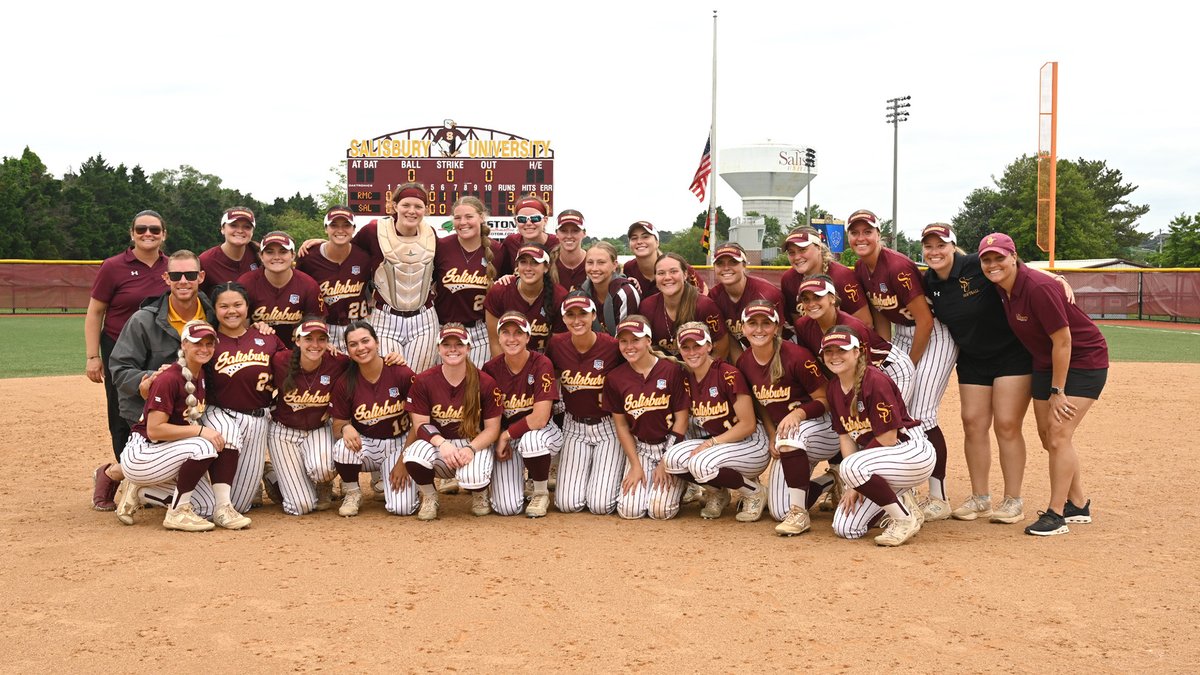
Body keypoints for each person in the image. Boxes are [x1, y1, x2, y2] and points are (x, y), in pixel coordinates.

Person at [978, 232, 1107, 536]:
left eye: (1000, 257)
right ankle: (1077, 503)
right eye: (987, 259)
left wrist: (1058, 391)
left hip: (1083, 360)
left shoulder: (1037, 288)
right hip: (1045, 363)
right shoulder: (1001, 286)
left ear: (1014, 257)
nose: (993, 264)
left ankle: (1056, 514)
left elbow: (1063, 341)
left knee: (1060, 433)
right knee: (1048, 435)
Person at [922, 223, 1039, 524]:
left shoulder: (977, 263)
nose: (935, 252)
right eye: (929, 246)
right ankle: (980, 498)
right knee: (973, 423)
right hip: (973, 358)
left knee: (1007, 424)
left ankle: (1013, 500)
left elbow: (1021, 272)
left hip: (1011, 354)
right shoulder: (929, 281)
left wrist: (1057, 278)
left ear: (953, 246)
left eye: (941, 245)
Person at [847, 209, 958, 521]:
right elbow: (881, 317)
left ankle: (939, 497)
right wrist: (885, 357)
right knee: (899, 413)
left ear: (879, 235)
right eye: (855, 232)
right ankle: (903, 488)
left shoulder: (896, 266)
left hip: (932, 336)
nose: (861, 237)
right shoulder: (861, 267)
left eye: (867, 231)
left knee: (921, 414)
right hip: (902, 336)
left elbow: (924, 320)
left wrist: (907, 366)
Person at [114, 320, 250, 531]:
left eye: (209, 344)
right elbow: (154, 429)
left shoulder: (201, 373)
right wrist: (201, 430)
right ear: (184, 344)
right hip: (143, 453)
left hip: (167, 453)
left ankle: (139, 491)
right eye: (198, 343)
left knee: (206, 507)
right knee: (204, 446)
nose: (204, 349)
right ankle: (176, 513)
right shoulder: (168, 378)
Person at [99, 251, 215, 494]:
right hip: (153, 411)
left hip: (199, 405)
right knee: (183, 471)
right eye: (176, 275)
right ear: (166, 278)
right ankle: (113, 473)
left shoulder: (214, 315)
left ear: (201, 277)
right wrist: (149, 378)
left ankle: (135, 478)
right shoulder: (144, 320)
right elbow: (119, 369)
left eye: (190, 275)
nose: (183, 281)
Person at [822, 325, 934, 546]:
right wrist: (855, 482)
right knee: (846, 528)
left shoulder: (874, 380)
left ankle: (904, 520)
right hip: (880, 463)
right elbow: (846, 437)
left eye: (841, 350)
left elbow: (888, 438)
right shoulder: (834, 388)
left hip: (911, 452)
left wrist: (854, 478)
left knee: (850, 468)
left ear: (857, 352)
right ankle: (901, 501)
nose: (835, 356)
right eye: (829, 351)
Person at [86, 210, 168, 510]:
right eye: (142, 229)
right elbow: (96, 312)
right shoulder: (114, 267)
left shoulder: (171, 267)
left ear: (164, 234)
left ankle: (147, 474)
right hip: (119, 348)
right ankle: (118, 476)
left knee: (160, 411)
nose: (148, 234)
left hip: (159, 349)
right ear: (132, 233)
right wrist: (93, 356)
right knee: (123, 414)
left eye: (155, 230)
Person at [735, 300, 839, 535]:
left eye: (766, 323)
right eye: (752, 323)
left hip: (821, 427)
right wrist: (772, 434)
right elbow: (762, 405)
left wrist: (799, 413)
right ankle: (829, 480)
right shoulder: (744, 361)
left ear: (777, 327)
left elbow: (825, 400)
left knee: (790, 439)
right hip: (787, 437)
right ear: (743, 328)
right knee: (779, 510)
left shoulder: (796, 356)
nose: (759, 330)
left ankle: (800, 515)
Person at [189, 281, 286, 520]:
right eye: (223, 306)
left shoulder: (268, 338)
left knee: (241, 504)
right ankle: (158, 489)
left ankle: (215, 501)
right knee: (227, 436)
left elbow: (291, 370)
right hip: (218, 411)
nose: (231, 311)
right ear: (215, 309)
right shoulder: (208, 340)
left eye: (237, 305)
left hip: (257, 418)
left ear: (247, 307)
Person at [391, 323, 504, 520]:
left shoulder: (484, 381)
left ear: (468, 348)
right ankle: (429, 495)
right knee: (414, 455)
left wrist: (471, 449)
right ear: (438, 349)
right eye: (447, 344)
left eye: (459, 344)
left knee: (474, 478)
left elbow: (492, 430)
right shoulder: (424, 380)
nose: (453, 349)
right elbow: (420, 426)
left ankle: (480, 493)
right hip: (439, 444)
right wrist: (442, 443)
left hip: (473, 444)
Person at [662, 322, 769, 521]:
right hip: (722, 445)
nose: (692, 352)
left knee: (701, 463)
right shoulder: (686, 378)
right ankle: (718, 492)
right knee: (672, 459)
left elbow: (748, 424)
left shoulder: (728, 374)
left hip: (751, 443)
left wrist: (711, 443)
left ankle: (754, 492)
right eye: (686, 347)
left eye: (698, 345)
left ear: (709, 346)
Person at [325, 320, 417, 517]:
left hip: (398, 444)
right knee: (342, 447)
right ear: (348, 350)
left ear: (376, 342)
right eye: (353, 344)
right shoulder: (345, 382)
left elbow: (419, 423)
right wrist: (345, 429)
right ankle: (352, 492)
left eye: (365, 341)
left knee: (402, 508)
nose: (361, 348)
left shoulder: (400, 372)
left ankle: (402, 485)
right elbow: (338, 425)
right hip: (366, 444)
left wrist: (403, 462)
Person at [545, 292, 626, 515]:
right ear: (563, 318)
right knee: (567, 505)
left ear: (593, 316)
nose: (577, 319)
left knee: (601, 505)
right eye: (570, 314)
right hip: (574, 426)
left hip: (608, 426)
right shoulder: (556, 344)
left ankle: (610, 474)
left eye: (583, 313)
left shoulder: (611, 346)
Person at [604, 316, 690, 520]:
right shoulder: (615, 378)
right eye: (623, 341)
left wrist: (665, 461)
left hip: (670, 447)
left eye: (635, 340)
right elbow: (622, 426)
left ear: (648, 341)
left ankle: (684, 483)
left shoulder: (672, 370)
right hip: (641, 448)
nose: (629, 346)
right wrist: (635, 465)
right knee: (629, 511)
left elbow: (682, 420)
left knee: (660, 512)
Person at [352, 183, 441, 373]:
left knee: (417, 380)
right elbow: (347, 252)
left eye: (418, 206)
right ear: (394, 206)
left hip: (424, 319)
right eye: (406, 205)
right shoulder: (374, 231)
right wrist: (320, 244)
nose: (412, 211)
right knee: (389, 377)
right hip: (385, 317)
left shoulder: (430, 234)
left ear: (426, 209)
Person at [482, 312, 564, 517]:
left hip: (542, 432)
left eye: (518, 333)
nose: (512, 339)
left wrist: (504, 435)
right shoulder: (490, 368)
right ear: (498, 338)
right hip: (508, 437)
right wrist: (501, 437)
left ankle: (540, 491)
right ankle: (519, 485)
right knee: (506, 508)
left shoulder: (541, 363)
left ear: (528, 337)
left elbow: (539, 418)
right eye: (506, 333)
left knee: (532, 442)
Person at [267, 318, 347, 515]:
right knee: (300, 506)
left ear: (328, 342)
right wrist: (256, 325)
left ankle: (324, 484)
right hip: (283, 433)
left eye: (321, 339)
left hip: (317, 429)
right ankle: (271, 476)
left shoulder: (338, 362)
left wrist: (392, 359)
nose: (315, 345)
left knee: (325, 468)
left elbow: (366, 365)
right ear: (297, 340)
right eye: (308, 338)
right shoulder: (280, 360)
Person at [793, 275, 914, 399]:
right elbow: (818, 364)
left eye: (817, 297)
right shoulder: (802, 325)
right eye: (806, 299)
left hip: (888, 368)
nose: (811, 304)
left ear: (832, 298)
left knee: (886, 416)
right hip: (857, 372)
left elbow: (867, 372)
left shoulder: (853, 327)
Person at [433, 196, 501, 367]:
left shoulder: (497, 251)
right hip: (444, 329)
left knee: (476, 386)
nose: (463, 222)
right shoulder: (441, 247)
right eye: (457, 218)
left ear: (481, 217)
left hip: (480, 332)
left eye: (469, 216)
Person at [296, 206, 372, 351]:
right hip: (323, 327)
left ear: (354, 229)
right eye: (334, 225)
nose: (340, 230)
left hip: (358, 326)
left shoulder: (364, 256)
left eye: (346, 225)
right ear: (326, 228)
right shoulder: (309, 257)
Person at [237, 231, 322, 350]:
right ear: (261, 256)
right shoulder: (246, 282)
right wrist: (251, 330)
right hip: (257, 352)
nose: (276, 257)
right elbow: (239, 328)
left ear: (293, 255)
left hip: (297, 354)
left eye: (283, 252)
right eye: (269, 252)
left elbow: (317, 326)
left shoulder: (308, 285)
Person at [639, 252, 729, 360]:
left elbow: (721, 348)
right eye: (661, 273)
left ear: (685, 275)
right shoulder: (647, 306)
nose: (667, 277)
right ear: (655, 277)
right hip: (665, 371)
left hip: (699, 370)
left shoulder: (704, 305)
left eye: (674, 271)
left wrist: (702, 374)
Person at [483, 243, 567, 357]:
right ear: (517, 266)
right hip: (508, 357)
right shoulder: (500, 291)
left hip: (544, 360)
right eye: (523, 262)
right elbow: (495, 343)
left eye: (535, 262)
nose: (528, 268)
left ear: (546, 267)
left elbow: (559, 346)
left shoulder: (559, 296)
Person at [707, 242, 786, 361]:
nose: (726, 268)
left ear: (744, 265)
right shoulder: (714, 296)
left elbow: (776, 338)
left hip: (781, 346)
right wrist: (742, 367)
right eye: (720, 263)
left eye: (733, 262)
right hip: (746, 346)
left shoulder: (766, 294)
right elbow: (728, 338)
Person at [779, 227, 872, 327]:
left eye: (802, 250)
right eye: (791, 252)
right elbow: (799, 325)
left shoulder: (842, 276)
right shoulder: (789, 279)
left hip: (846, 339)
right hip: (810, 340)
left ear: (819, 248)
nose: (797, 257)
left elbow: (865, 323)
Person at [622, 220, 709, 298]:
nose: (639, 242)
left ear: (657, 242)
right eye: (634, 238)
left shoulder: (676, 264)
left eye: (645, 237)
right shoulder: (628, 268)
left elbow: (703, 290)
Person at [580, 241, 641, 335]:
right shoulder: (583, 292)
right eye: (590, 262)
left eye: (601, 262)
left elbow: (625, 337)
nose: (594, 268)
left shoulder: (626, 293)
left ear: (614, 265)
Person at [199, 207, 260, 296]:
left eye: (246, 227)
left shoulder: (261, 255)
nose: (240, 231)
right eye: (233, 225)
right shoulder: (205, 261)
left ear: (252, 232)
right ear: (222, 229)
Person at [495, 193, 558, 277]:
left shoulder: (557, 244)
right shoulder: (511, 242)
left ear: (545, 220)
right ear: (516, 221)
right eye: (522, 219)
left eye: (535, 218)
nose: (528, 223)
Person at [550, 209, 587, 292]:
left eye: (575, 231)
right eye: (563, 231)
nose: (569, 236)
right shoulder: (548, 265)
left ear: (584, 233)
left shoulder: (593, 264)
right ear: (556, 234)